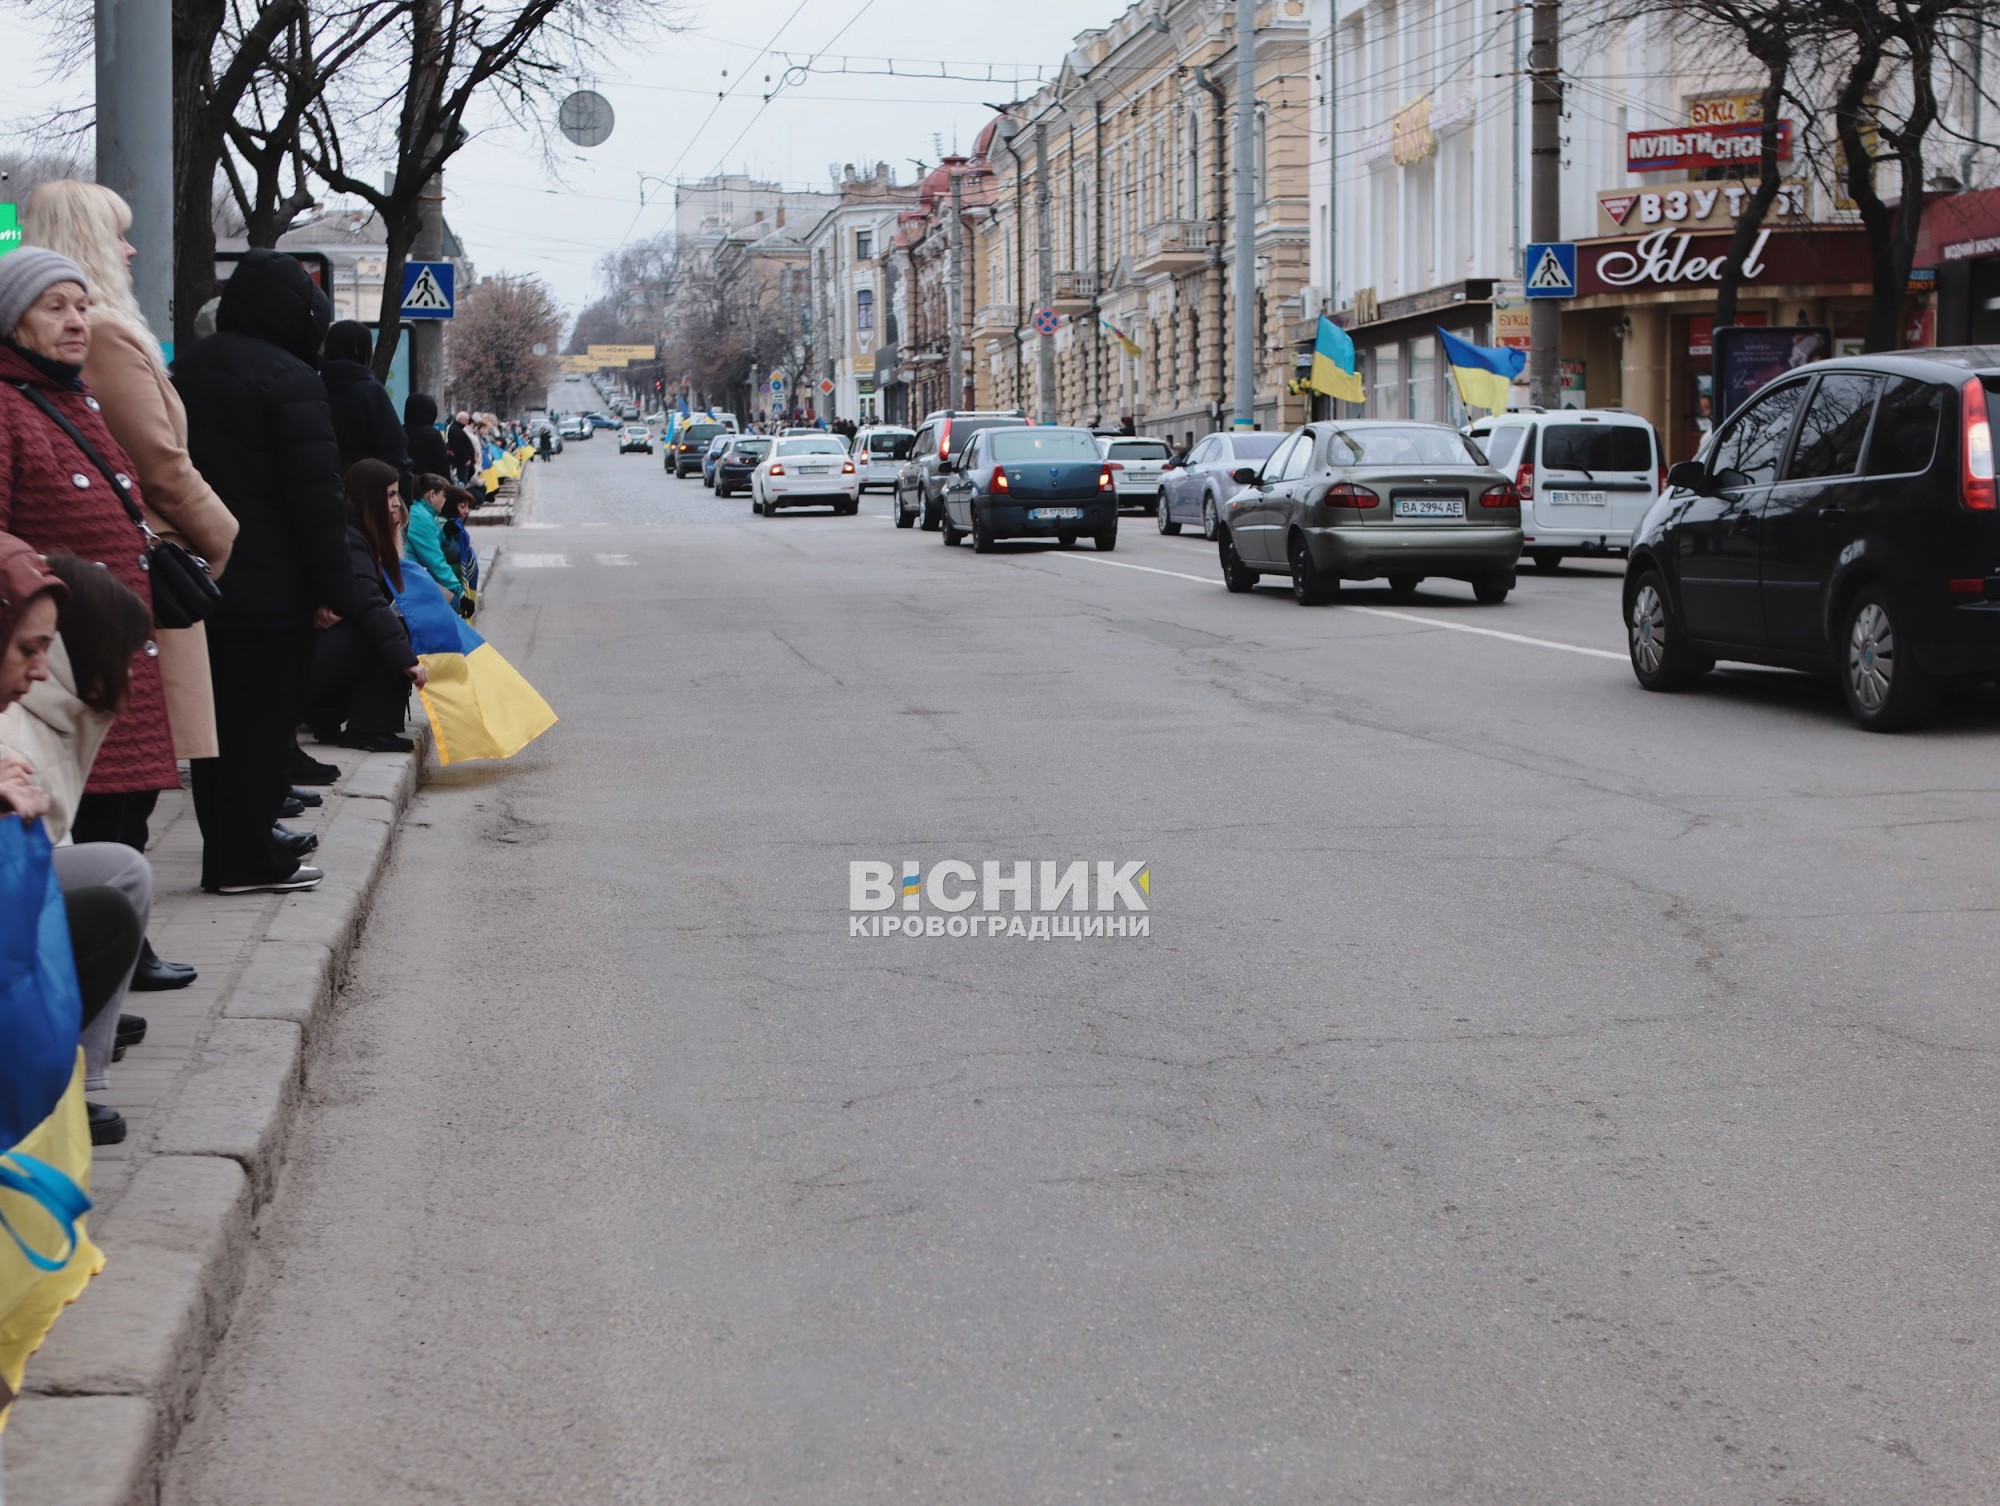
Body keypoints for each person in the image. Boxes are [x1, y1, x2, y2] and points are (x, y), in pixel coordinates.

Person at [22, 181, 241, 992]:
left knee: (130, 787)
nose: (132, 250)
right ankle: (108, 951)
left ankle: (117, 948)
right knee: (107, 793)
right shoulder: (102, 344)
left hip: (123, 609)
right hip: (91, 620)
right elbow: (161, 467)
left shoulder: (78, 366)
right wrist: (223, 540)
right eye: (118, 235)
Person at [173, 248, 353, 895]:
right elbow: (316, 497)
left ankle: (229, 850)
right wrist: (335, 590)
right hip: (274, 588)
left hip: (198, 581)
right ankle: (247, 859)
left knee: (214, 734)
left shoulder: (184, 370)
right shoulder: (290, 379)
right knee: (262, 726)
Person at [0, 248, 182, 873]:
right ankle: (96, 932)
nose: (77, 321)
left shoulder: (73, 399)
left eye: (82, 306)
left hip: (110, 647)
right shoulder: (5, 406)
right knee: (85, 806)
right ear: (12, 321)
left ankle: (124, 928)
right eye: (55, 308)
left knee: (131, 801)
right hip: (56, 659)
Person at [0, 537, 154, 1144]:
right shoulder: (19, 726)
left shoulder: (51, 708)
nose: (38, 668)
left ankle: (71, 1076)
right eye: (30, 648)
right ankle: (54, 1081)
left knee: (120, 871)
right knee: (115, 889)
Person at [304, 460, 425, 754]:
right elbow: (369, 604)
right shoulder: (353, 538)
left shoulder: (360, 533)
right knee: (386, 632)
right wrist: (407, 660)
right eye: (390, 495)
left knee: (387, 628)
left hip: (321, 655)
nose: (397, 503)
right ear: (369, 496)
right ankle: (370, 728)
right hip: (314, 660)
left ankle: (349, 721)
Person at [320, 320, 412, 484]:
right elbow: (395, 452)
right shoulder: (371, 392)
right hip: (368, 493)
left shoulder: (314, 389)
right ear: (362, 350)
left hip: (324, 491)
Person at [404, 473, 463, 605]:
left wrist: (445, 533)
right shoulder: (420, 516)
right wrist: (459, 592)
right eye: (444, 496)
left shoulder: (423, 512)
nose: (445, 501)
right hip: (408, 576)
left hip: (412, 571)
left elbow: (435, 541)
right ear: (432, 495)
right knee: (454, 601)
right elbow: (435, 561)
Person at [439, 484, 481, 611]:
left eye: (468, 507)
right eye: (462, 506)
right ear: (451, 506)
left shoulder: (455, 527)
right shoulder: (442, 526)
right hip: (448, 586)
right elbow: (451, 554)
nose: (466, 511)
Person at [404, 392, 452, 481]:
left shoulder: (400, 432)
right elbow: (442, 467)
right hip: (428, 487)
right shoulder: (433, 435)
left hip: (404, 485)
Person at [446, 408, 476, 486]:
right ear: (461, 420)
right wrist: (466, 458)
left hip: (462, 461)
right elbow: (459, 446)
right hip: (462, 462)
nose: (467, 423)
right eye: (466, 420)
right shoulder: (456, 430)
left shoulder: (457, 429)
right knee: (462, 481)